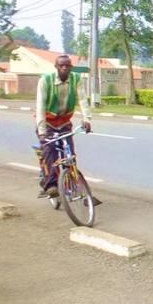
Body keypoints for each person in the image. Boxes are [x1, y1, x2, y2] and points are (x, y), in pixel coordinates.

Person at [35, 54, 97, 203]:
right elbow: (40, 107)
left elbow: (82, 100)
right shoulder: (45, 81)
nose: (64, 68)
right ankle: (50, 186)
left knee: (70, 155)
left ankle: (76, 187)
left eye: (67, 66)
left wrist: (86, 119)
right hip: (48, 123)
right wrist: (42, 132)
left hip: (64, 123)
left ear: (71, 67)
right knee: (49, 151)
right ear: (56, 67)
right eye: (61, 65)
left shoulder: (76, 79)